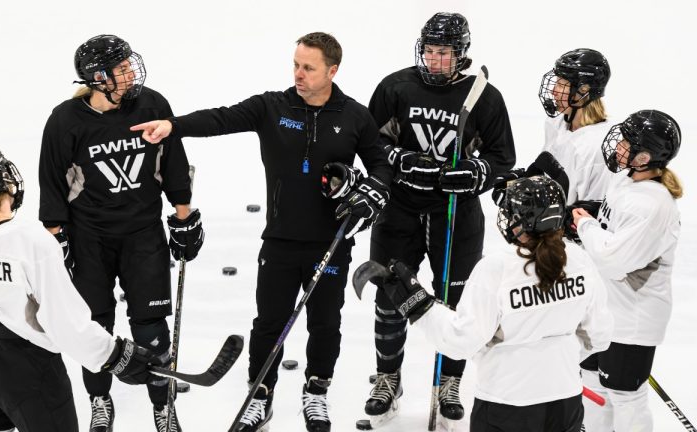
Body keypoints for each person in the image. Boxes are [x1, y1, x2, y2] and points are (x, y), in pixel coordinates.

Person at [131, 32, 392, 432]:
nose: (298, 74)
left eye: (308, 68)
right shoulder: (272, 106)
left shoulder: (355, 117)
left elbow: (381, 165)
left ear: (332, 71)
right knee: (269, 321)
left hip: (332, 242)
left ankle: (316, 392)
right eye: (295, 65)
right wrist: (173, 126)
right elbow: (222, 117)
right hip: (281, 240)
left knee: (326, 322)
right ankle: (260, 395)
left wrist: (374, 191)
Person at [0, 146, 165, 432]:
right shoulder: (33, 241)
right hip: (28, 371)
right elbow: (64, 323)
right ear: (6, 182)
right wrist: (114, 356)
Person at [38, 34, 202, 432]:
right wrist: (56, 239)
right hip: (88, 239)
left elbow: (173, 162)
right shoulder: (66, 120)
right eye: (121, 67)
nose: (131, 72)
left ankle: (163, 405)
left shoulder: (151, 104)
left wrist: (183, 216)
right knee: (94, 326)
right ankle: (99, 400)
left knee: (151, 326)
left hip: (143, 235)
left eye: (130, 63)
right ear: (98, 77)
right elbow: (52, 184)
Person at [363, 175, 614, 432]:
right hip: (565, 402)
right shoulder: (579, 259)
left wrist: (418, 304)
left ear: (522, 221)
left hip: (505, 404)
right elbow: (600, 335)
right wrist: (555, 358)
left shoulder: (497, 268)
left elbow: (461, 340)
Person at [363, 12, 515, 426]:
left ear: (461, 53)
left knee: (457, 301)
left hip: (455, 214)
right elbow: (369, 141)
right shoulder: (396, 86)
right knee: (391, 294)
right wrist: (399, 158)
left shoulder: (485, 96)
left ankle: (448, 381)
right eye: (429, 52)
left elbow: (503, 158)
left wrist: (475, 173)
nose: (434, 61)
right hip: (400, 209)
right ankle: (388, 377)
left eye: (443, 54)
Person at [570, 110, 682, 432]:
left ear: (645, 156)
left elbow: (613, 259)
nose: (617, 144)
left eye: (626, 142)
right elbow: (611, 225)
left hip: (632, 321)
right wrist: (589, 214)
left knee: (626, 398)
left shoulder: (653, 205)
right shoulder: (625, 180)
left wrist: (585, 224)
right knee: (592, 384)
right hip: (604, 311)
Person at [538, 48, 613, 204]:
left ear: (583, 90)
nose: (554, 91)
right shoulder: (555, 124)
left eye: (561, 84)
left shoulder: (597, 147)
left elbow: (590, 213)